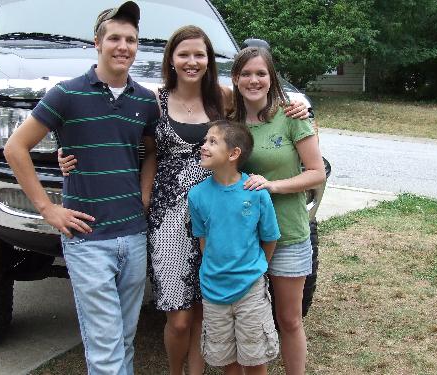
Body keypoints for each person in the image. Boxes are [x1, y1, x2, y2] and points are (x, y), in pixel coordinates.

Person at [58, 25, 308, 375]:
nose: (192, 61)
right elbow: (118, 133)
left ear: (209, 60)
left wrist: (296, 107)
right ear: (171, 59)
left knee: (208, 310)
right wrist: (67, 150)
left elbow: (262, 100)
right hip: (169, 219)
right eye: (184, 54)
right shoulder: (151, 100)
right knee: (179, 318)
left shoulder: (223, 98)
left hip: (219, 213)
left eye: (200, 54)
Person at [4, 2, 160, 374]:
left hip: (134, 236)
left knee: (123, 338)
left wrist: (144, 190)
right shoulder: (66, 94)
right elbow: (15, 148)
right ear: (97, 43)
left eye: (131, 40)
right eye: (115, 38)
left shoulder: (144, 100)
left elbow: (150, 151)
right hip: (88, 239)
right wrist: (47, 208)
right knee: (105, 347)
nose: (123, 46)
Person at [232, 47, 326, 374]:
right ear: (235, 78)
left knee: (289, 318)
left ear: (271, 78)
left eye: (261, 73)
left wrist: (273, 186)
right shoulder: (228, 122)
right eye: (246, 73)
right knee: (250, 319)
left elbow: (316, 172)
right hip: (243, 240)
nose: (253, 80)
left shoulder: (291, 116)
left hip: (288, 233)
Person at [188, 120, 280, 375]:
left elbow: (270, 237)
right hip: (213, 289)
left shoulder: (257, 192)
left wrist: (256, 269)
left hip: (250, 288)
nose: (204, 146)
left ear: (233, 154)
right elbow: (203, 240)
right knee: (226, 359)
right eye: (205, 140)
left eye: (212, 142)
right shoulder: (196, 195)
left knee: (254, 357)